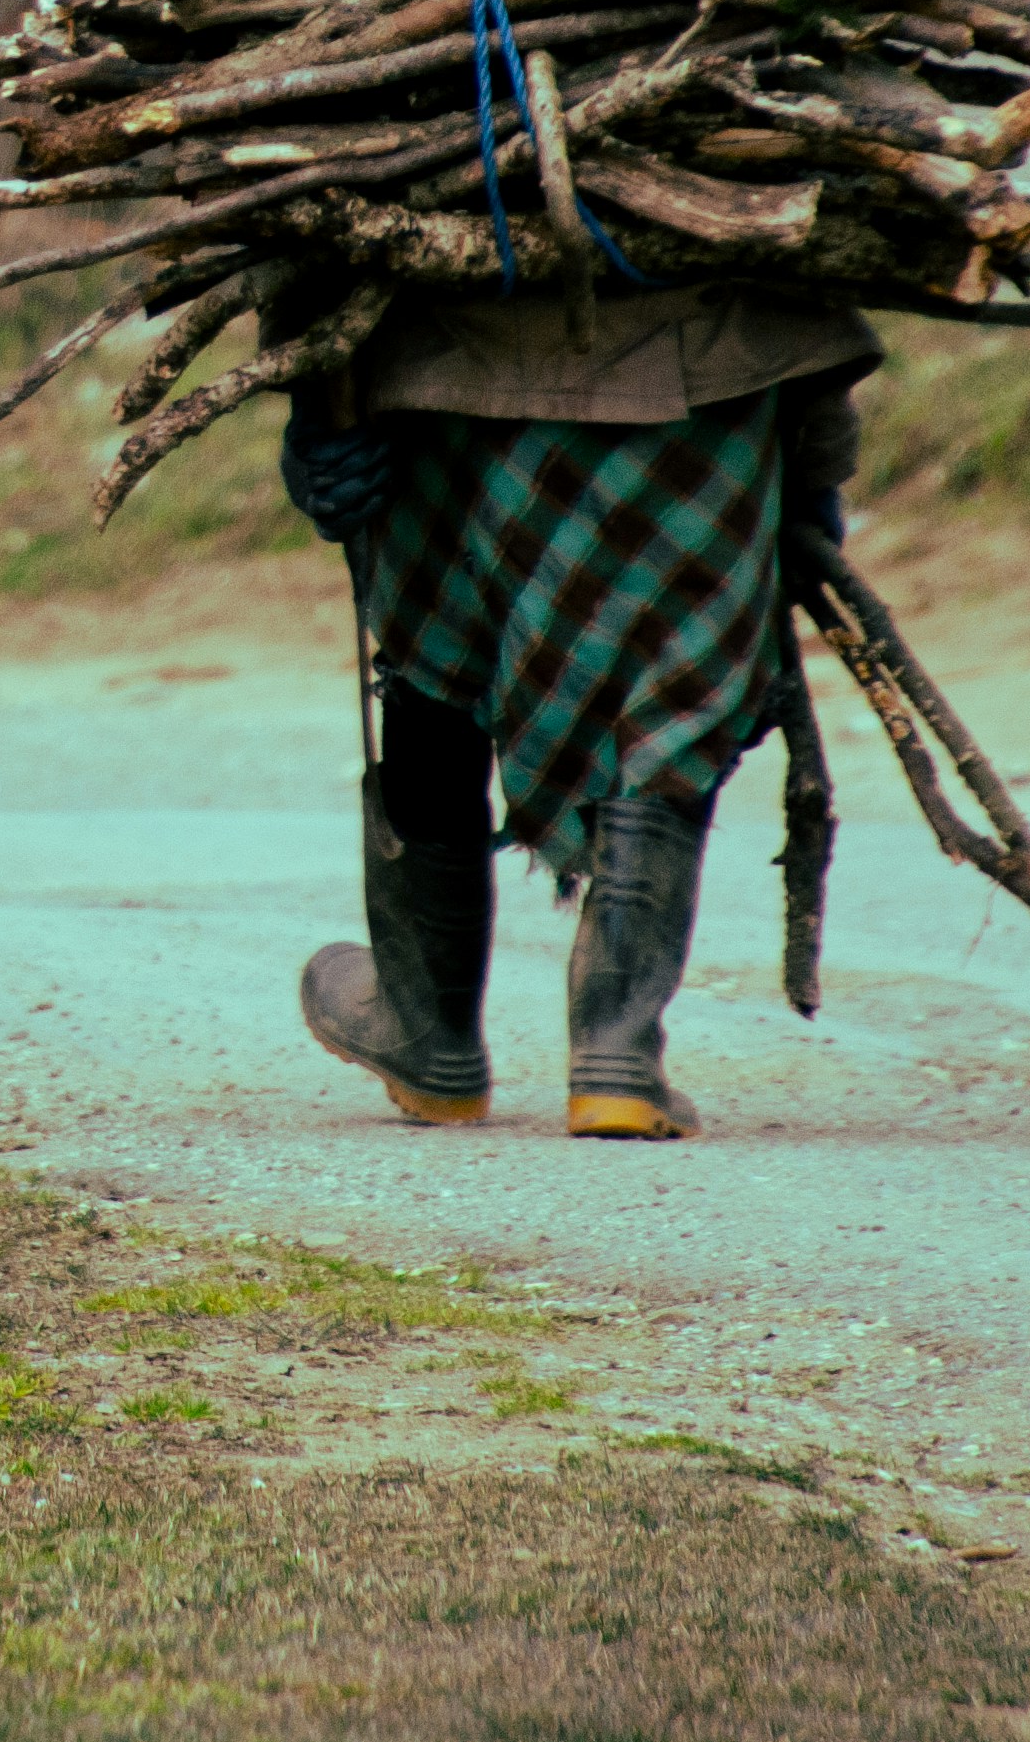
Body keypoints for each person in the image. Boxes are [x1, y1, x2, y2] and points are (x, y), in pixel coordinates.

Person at [278, 282, 872, 1138]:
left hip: (448, 373)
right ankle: (617, 1056)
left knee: (440, 654)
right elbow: (807, 245)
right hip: (708, 384)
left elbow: (307, 244)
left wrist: (319, 418)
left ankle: (430, 1032)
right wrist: (815, 464)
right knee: (681, 678)